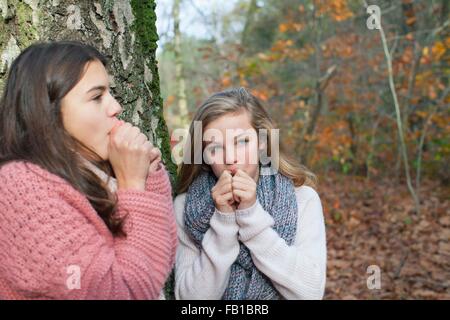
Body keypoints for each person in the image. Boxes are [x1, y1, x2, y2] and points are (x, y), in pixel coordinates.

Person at [0, 41, 177, 299]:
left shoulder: (91, 173)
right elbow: (120, 293)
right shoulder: (19, 187)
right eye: (97, 96)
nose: (116, 107)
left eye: (110, 93)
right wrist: (134, 187)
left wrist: (148, 177)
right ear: (49, 111)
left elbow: (157, 265)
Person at [174, 87, 326, 299]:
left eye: (242, 142)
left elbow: (310, 292)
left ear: (262, 142)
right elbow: (191, 300)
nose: (231, 158)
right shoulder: (185, 206)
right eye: (215, 148)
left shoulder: (303, 199)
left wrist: (251, 216)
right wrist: (223, 221)